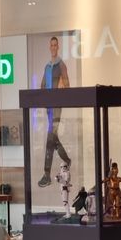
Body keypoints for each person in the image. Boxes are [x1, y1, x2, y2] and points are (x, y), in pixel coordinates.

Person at [37, 35, 72, 186]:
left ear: (58, 47)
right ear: (49, 47)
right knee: (52, 139)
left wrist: (60, 89)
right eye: (51, 45)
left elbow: (67, 85)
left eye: (55, 45)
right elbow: (42, 86)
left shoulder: (61, 65)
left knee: (50, 139)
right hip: (49, 108)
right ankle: (66, 160)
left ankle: (46, 174)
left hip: (57, 107)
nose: (53, 47)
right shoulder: (47, 67)